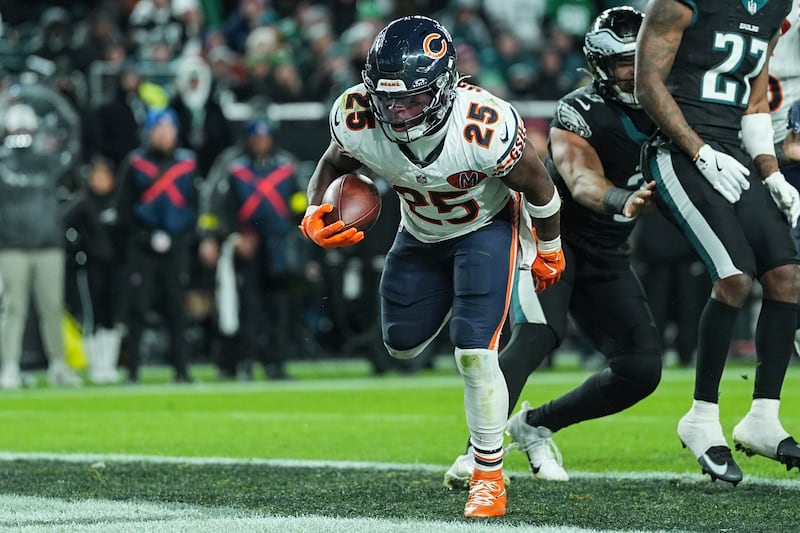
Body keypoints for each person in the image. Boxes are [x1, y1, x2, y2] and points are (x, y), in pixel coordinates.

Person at [300, 16, 563, 519]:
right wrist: (314, 210)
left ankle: (488, 475)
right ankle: (455, 298)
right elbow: (333, 164)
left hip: (486, 227)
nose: (397, 111)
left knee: (474, 351)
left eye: (412, 99)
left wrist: (548, 247)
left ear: (443, 88)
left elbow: (540, 187)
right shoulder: (357, 116)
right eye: (387, 98)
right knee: (401, 345)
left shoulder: (482, 126)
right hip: (419, 235)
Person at [442, 5, 662, 487]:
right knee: (540, 333)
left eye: (641, 58)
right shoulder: (578, 109)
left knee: (642, 367)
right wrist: (626, 198)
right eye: (625, 61)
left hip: (609, 252)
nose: (636, 70)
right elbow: (582, 181)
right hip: (553, 240)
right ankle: (478, 453)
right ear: (602, 67)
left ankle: (536, 425)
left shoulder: (671, 105)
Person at [636, 0, 800, 484]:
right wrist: (701, 152)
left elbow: (753, 101)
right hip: (676, 149)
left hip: (733, 152)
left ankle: (763, 417)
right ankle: (702, 417)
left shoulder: (776, 5)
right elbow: (649, 85)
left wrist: (771, 173)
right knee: (733, 276)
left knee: (787, 276)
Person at [198, 119, 302, 381]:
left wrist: (299, 236)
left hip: (278, 247)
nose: (260, 142)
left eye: (265, 137)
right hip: (246, 246)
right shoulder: (235, 168)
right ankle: (242, 361)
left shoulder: (286, 166)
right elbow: (219, 207)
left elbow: (300, 203)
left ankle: (276, 363)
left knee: (278, 308)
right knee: (245, 307)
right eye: (255, 137)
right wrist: (222, 237)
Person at [0, 101, 83, 390]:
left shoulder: (48, 161)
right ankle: (9, 365)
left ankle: (58, 365)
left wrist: (60, 106)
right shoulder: (2, 162)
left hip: (48, 245)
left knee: (52, 307)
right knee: (14, 308)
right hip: (12, 246)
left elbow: (74, 145)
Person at [114, 108, 198, 384]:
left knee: (176, 308)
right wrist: (143, 237)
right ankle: (133, 369)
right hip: (142, 247)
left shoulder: (187, 163)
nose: (164, 134)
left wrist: (180, 239)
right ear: (150, 132)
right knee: (137, 308)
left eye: (169, 128)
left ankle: (181, 369)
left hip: (176, 247)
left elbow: (194, 207)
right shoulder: (136, 162)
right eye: (159, 129)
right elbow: (123, 209)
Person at [62, 155, 125, 384]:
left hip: (116, 267)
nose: (100, 180)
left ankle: (109, 364)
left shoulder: (119, 202)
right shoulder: (82, 202)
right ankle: (95, 364)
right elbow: (63, 224)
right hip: (90, 266)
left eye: (104, 175)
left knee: (113, 315)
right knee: (92, 314)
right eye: (96, 175)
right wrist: (77, 251)